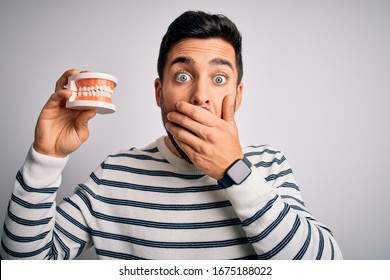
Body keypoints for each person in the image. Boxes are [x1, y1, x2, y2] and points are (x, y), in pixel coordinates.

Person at [1, 10, 342, 260]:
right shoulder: (114, 175)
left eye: (219, 79)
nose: (201, 95)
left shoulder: (267, 166)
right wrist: (45, 158)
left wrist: (234, 170)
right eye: (182, 76)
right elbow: (25, 266)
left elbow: (328, 268)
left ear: (238, 96)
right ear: (159, 92)